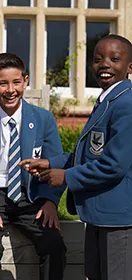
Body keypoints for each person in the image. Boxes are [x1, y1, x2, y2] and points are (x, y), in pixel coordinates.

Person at [20, 34, 132, 280]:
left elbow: (113, 165)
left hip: (118, 218)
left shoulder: (126, 104)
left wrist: (67, 176)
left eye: (114, 59)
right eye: (98, 59)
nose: (104, 64)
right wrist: (52, 162)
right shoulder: (107, 100)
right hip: (99, 213)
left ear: (129, 67)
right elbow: (92, 154)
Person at [0, 53, 67, 280]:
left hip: (32, 196)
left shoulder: (43, 119)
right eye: (3, 83)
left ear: (25, 81)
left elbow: (54, 164)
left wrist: (49, 201)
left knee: (54, 244)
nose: (10, 90)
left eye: (16, 82)